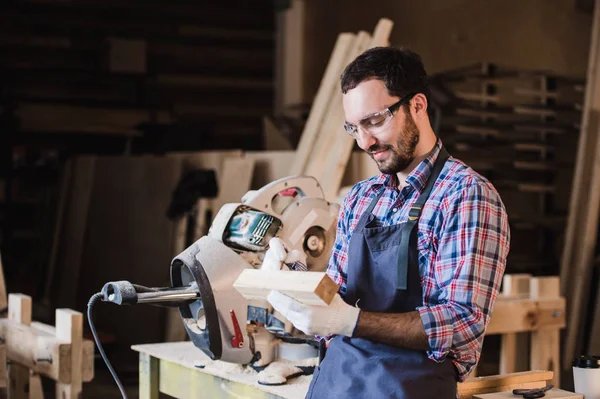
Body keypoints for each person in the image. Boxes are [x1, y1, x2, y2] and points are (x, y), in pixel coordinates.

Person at [264, 46, 511, 398]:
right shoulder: (360, 199)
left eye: (375, 121)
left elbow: (463, 322)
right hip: (338, 384)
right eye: (354, 127)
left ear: (417, 105)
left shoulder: (466, 195)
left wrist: (349, 321)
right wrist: (296, 279)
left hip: (408, 389)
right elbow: (335, 297)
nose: (365, 142)